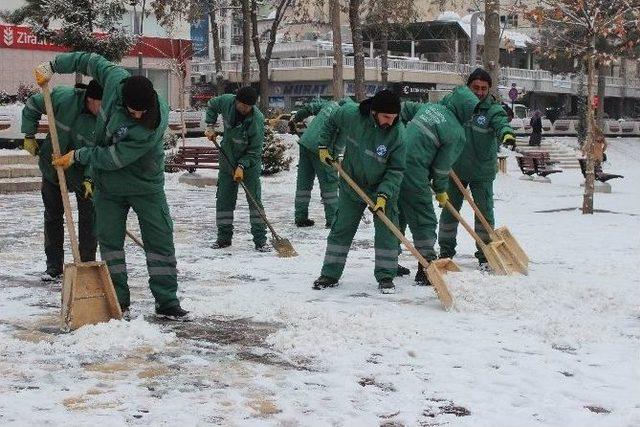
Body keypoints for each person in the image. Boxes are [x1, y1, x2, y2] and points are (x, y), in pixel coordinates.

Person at [38, 52, 189, 320]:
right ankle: (117, 298)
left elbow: (113, 158)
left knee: (159, 241)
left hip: (145, 186)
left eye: (142, 111)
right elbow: (88, 60)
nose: (138, 115)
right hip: (108, 187)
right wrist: (53, 66)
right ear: (122, 97)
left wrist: (78, 156)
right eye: (133, 111)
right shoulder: (113, 79)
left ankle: (167, 301)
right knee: (110, 244)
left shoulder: (152, 124)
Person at [312, 90, 406, 294]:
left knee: (387, 232)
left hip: (382, 189)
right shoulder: (352, 115)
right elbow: (330, 121)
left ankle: (386, 276)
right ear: (374, 112)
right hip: (351, 183)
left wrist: (383, 195)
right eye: (386, 117)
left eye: (394, 117)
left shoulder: (398, 134)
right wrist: (323, 145)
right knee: (341, 228)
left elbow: (396, 170)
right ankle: (329, 274)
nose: (390, 121)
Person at [21, 80, 102, 282]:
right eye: (102, 104)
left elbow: (100, 152)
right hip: (52, 169)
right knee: (53, 217)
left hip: (83, 175)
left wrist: (90, 178)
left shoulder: (106, 119)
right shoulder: (63, 98)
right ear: (91, 99)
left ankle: (86, 264)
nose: (105, 111)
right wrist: (29, 135)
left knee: (89, 220)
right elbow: (32, 105)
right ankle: (54, 267)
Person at [398, 86, 480, 285]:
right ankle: (426, 268)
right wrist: (441, 190)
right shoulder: (456, 133)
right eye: (472, 111)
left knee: (398, 214)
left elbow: (402, 109)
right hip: (414, 172)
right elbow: (442, 169)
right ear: (464, 110)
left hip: (394, 164)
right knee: (424, 219)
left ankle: (388, 262)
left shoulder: (428, 109)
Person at [438, 68, 516, 271]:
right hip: (455, 169)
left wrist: (506, 134)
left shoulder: (492, 109)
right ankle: (445, 252)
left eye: (484, 88)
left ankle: (485, 254)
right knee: (449, 212)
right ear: (468, 87)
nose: (479, 92)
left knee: (484, 214)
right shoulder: (455, 105)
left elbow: (501, 123)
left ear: (489, 89)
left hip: (482, 170)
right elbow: (438, 113)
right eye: (475, 88)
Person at [204, 87, 269, 252]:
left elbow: (255, 151)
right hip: (227, 159)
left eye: (249, 107)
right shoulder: (227, 101)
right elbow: (211, 104)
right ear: (237, 101)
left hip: (249, 166)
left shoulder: (257, 120)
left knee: (255, 202)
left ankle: (260, 240)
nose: (245, 109)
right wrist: (210, 125)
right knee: (224, 200)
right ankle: (223, 238)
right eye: (243, 105)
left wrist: (242, 166)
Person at [288, 98, 344, 228]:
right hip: (322, 149)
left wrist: (295, 118)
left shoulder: (330, 104)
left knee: (304, 183)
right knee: (330, 185)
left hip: (306, 143)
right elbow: (340, 141)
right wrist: (334, 160)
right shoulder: (348, 116)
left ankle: (300, 217)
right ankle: (333, 220)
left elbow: (309, 108)